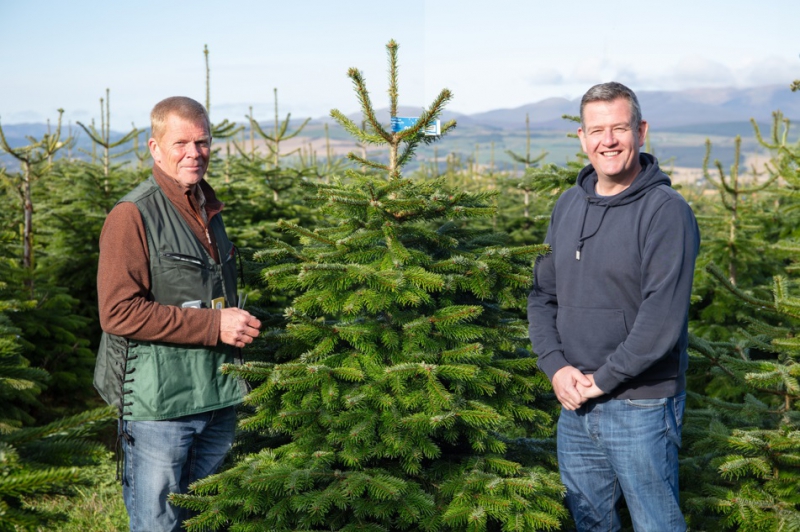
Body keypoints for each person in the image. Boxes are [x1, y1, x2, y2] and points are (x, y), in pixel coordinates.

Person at [527, 82, 700, 531]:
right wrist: (555, 367)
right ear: (582, 138)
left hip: (641, 405)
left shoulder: (666, 211)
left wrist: (601, 381)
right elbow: (542, 295)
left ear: (640, 131)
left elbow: (660, 321)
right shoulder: (567, 205)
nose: (608, 140)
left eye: (619, 128)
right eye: (596, 130)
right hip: (574, 402)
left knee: (656, 524)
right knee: (591, 524)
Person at [93, 96, 261, 531]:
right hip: (160, 408)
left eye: (202, 142)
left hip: (218, 394)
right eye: (181, 142)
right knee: (159, 524)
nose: (194, 153)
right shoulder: (132, 215)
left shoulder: (208, 208)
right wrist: (214, 325)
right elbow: (118, 313)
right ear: (154, 147)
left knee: (206, 519)